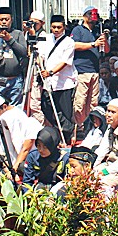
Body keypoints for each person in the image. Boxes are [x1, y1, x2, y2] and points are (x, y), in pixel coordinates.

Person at [38, 14, 77, 143]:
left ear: (64, 27)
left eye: (59, 27)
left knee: (65, 111)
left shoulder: (69, 42)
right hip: (48, 82)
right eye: (53, 27)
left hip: (64, 82)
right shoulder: (46, 38)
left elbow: (65, 62)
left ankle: (66, 134)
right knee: (46, 107)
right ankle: (64, 128)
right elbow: (39, 53)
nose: (56, 30)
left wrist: (50, 72)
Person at [71, 6, 109, 133]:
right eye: (90, 15)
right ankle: (79, 127)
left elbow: (106, 50)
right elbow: (74, 45)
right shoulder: (78, 30)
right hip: (82, 71)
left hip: (94, 71)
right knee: (80, 102)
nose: (93, 18)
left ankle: (91, 126)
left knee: (93, 102)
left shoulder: (97, 31)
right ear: (84, 16)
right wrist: (93, 44)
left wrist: (105, 40)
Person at [0, 94, 43, 176]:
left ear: (5, 107)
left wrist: (13, 169)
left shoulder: (31, 125)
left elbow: (25, 149)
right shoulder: (4, 121)